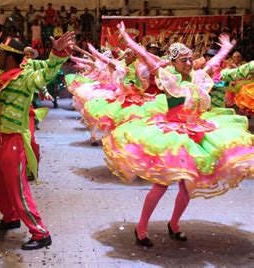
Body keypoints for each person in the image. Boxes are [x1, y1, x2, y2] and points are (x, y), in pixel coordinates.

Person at [105, 22, 252, 248]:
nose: (189, 63)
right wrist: (126, 37)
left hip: (195, 132)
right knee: (161, 184)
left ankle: (174, 224)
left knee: (187, 185)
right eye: (184, 60)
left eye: (190, 59)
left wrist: (225, 49)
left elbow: (212, 64)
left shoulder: (198, 77)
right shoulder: (167, 77)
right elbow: (145, 56)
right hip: (172, 134)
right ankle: (141, 228)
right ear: (173, 62)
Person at [0, 28, 75, 250]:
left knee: (17, 188)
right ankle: (11, 217)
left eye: (0, 53)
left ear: (10, 57)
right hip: (3, 137)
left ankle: (40, 232)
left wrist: (57, 53)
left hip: (15, 141)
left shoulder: (25, 77)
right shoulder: (5, 71)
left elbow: (47, 74)